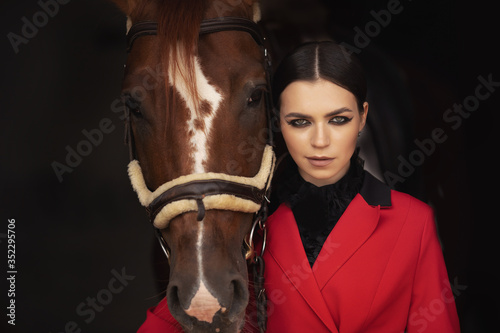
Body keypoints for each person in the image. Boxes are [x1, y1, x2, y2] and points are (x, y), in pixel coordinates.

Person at [137, 41, 460, 332]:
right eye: (300, 122)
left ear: (362, 118)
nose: (320, 141)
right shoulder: (249, 229)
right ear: (277, 123)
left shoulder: (413, 222)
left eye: (339, 119)